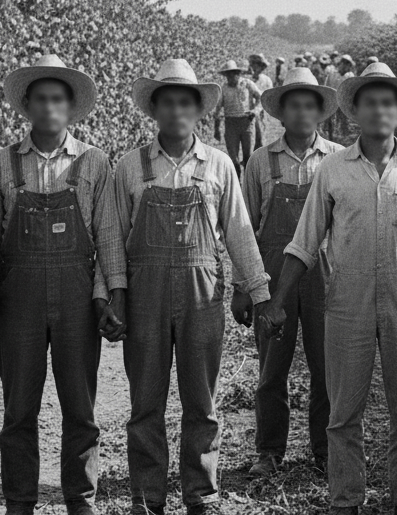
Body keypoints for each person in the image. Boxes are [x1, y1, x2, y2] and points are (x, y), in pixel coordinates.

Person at [260, 61, 397, 515]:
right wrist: (277, 302)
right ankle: (346, 501)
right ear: (355, 113)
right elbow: (304, 243)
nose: (379, 110)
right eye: (370, 102)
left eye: (387, 102)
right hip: (346, 301)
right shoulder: (334, 169)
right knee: (344, 412)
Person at [118, 59, 271, 515]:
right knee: (145, 400)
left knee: (201, 401)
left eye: (185, 102)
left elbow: (240, 232)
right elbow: (111, 238)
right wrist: (112, 295)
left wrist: (258, 292)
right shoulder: (130, 166)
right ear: (155, 109)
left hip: (203, 294)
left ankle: (200, 493)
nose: (176, 110)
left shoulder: (219, 165)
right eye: (168, 102)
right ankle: (147, 496)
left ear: (198, 110)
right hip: (144, 294)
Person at [0, 54, 126, 515]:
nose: (49, 107)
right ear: (26, 105)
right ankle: (19, 500)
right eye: (41, 99)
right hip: (19, 299)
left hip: (76, 298)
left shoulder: (93, 161)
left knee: (80, 408)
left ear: (70, 107)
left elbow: (106, 236)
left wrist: (108, 296)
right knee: (18, 409)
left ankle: (79, 498)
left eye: (57, 99)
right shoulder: (2, 165)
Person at [232, 67, 343, 478]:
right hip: (273, 275)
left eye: (309, 105)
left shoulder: (338, 158)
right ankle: (269, 451)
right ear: (280, 113)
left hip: (324, 273)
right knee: (270, 370)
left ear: (320, 111)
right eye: (293, 105)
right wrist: (243, 286)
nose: (301, 112)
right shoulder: (262, 160)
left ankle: (325, 450)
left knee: (326, 368)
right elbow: (245, 228)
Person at [213, 60, 263, 177]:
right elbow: (218, 109)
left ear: (238, 73)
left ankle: (249, 185)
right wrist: (217, 129)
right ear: (226, 76)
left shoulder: (247, 84)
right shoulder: (223, 89)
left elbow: (261, 98)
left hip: (247, 122)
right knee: (233, 158)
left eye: (233, 73)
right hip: (231, 123)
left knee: (248, 156)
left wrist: (255, 111)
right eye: (228, 74)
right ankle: (237, 182)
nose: (231, 77)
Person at [324, 55, 355, 141]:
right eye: (343, 63)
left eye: (347, 64)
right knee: (330, 120)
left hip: (343, 101)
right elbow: (326, 86)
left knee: (343, 119)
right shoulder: (332, 74)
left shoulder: (350, 75)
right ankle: (330, 136)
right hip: (332, 100)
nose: (345, 66)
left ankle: (344, 136)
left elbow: (351, 89)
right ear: (340, 63)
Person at [249, 54, 274, 149]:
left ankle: (258, 155)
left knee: (260, 135)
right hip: (248, 110)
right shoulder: (247, 79)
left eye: (258, 65)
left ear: (262, 67)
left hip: (261, 111)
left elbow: (270, 95)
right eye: (253, 64)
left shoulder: (266, 80)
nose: (255, 67)